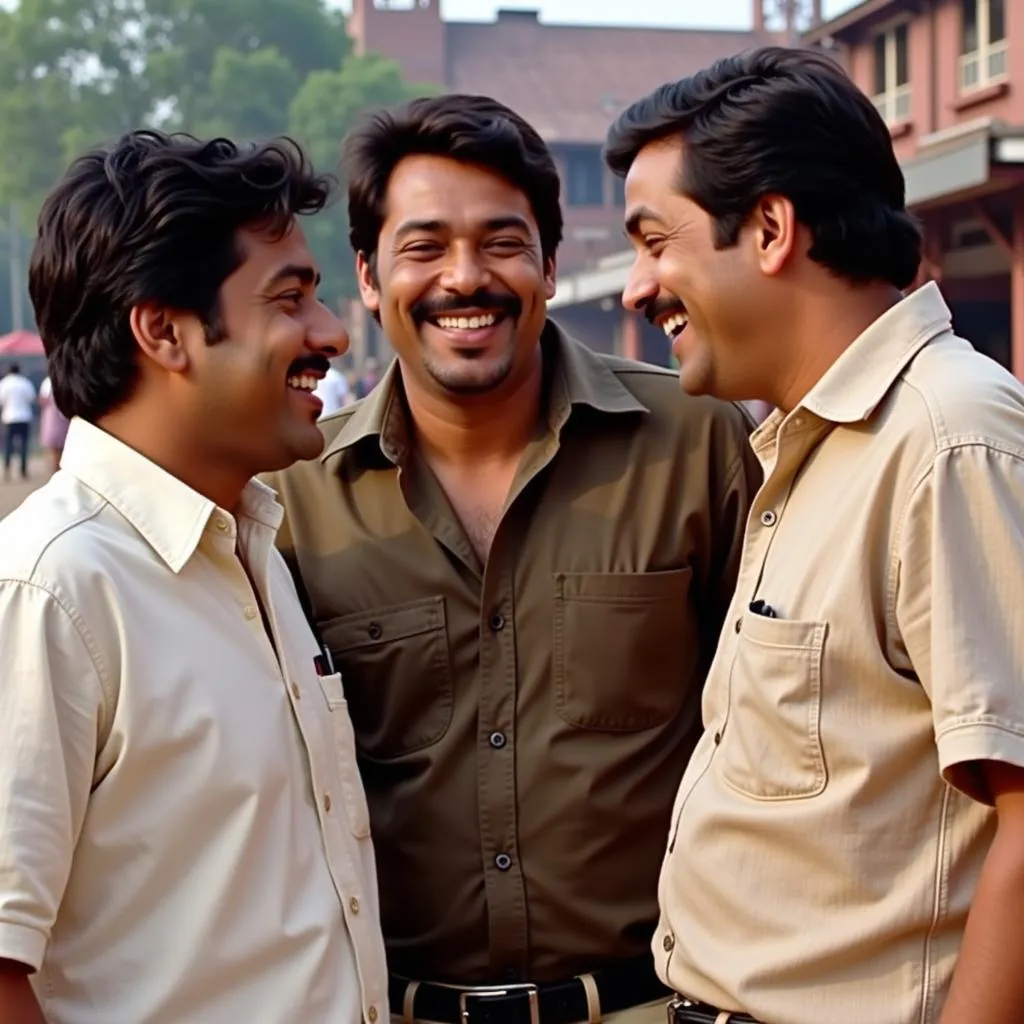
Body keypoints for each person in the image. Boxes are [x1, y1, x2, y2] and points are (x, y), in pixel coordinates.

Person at [264, 94, 761, 1024]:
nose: (465, 278)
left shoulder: (693, 444)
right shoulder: (294, 502)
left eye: (501, 241)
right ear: (369, 278)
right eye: (423, 249)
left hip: (655, 1004)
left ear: (548, 264)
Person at [606, 46, 1024, 1024]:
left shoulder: (946, 438)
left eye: (655, 241)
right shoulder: (816, 446)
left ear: (767, 228)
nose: (635, 287)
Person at [0, 130, 388, 1024]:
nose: (329, 333)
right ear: (164, 331)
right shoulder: (53, 590)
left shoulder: (254, 556)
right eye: (289, 299)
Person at [0, 363, 36, 480]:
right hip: (24, 417)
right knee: (23, 445)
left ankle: (7, 470)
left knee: (8, 446)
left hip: (9, 417)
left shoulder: (4, 383)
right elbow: (31, 398)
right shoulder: (25, 383)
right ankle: (23, 470)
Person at [37, 375, 70, 473]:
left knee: (56, 449)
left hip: (55, 419)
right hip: (59, 418)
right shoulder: (51, 382)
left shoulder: (48, 382)